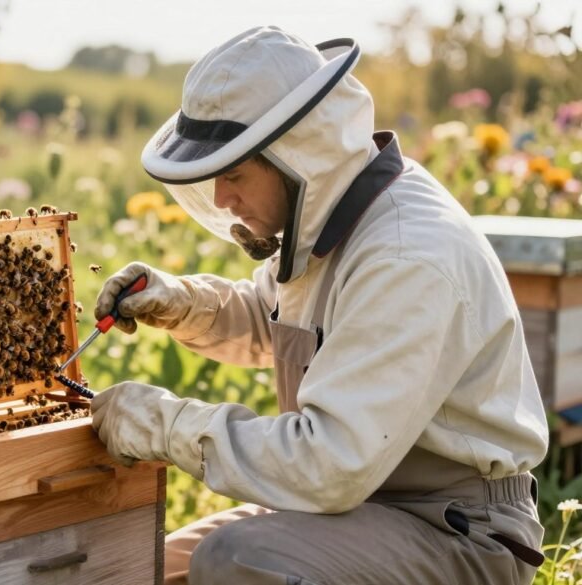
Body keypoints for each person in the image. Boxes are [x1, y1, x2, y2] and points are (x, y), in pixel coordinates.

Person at [91, 26, 548, 585]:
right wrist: (184, 302)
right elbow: (277, 320)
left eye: (233, 174)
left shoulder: (405, 255)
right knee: (151, 567)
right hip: (361, 507)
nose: (221, 199)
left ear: (299, 155)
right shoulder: (336, 215)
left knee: (236, 561)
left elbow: (330, 464)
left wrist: (164, 426)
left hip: (455, 529)